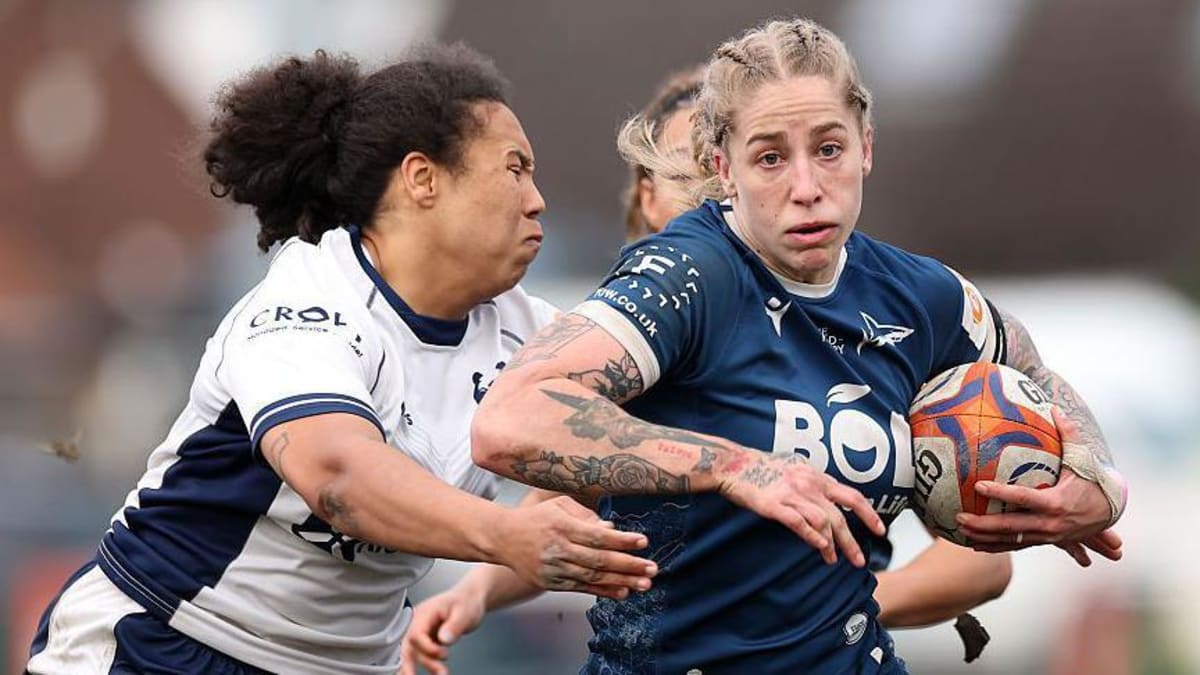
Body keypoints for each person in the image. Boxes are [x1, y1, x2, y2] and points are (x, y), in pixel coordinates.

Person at [468, 18, 1127, 674]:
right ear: (724, 167)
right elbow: (509, 420)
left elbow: (1032, 367)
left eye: (830, 148)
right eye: (771, 157)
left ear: (866, 144)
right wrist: (736, 466)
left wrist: (1097, 478)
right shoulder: (691, 276)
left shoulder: (919, 295)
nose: (807, 186)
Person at [24, 45, 657, 675]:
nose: (536, 199)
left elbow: (597, 473)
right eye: (515, 168)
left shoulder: (533, 334)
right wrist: (504, 539)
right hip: (168, 641)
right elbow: (337, 475)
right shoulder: (309, 301)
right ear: (422, 178)